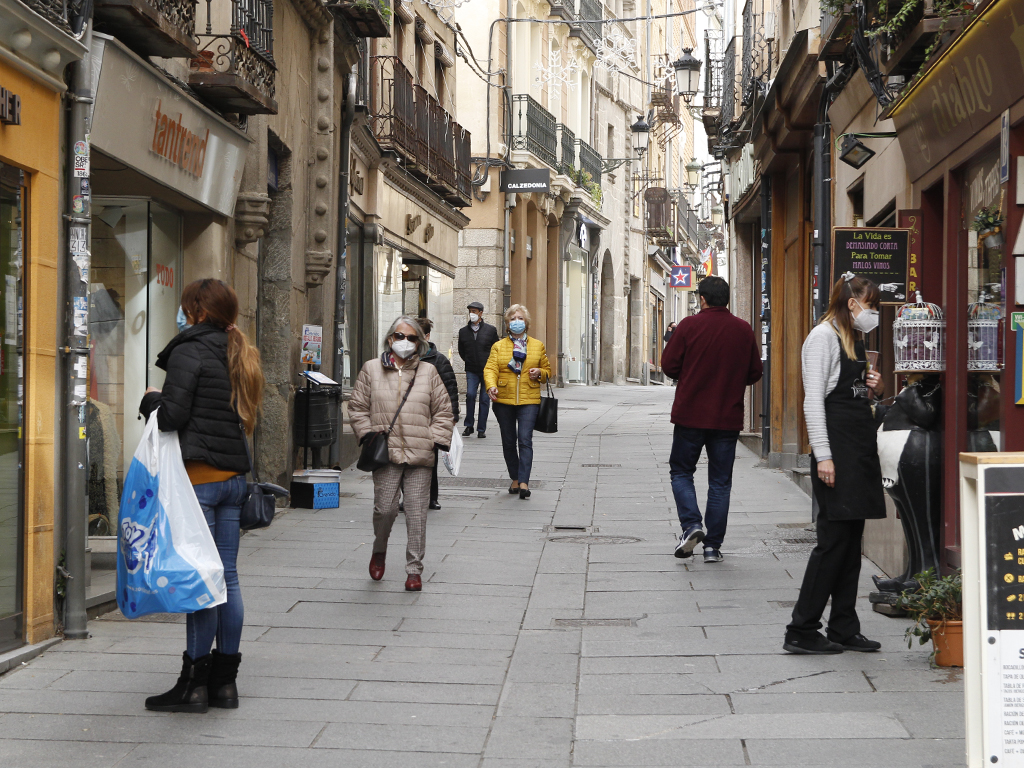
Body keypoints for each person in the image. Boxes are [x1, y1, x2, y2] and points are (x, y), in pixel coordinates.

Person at [138, 279, 265, 713]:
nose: (179, 314)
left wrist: (152, 400)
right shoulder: (236, 350)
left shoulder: (189, 349)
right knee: (226, 576)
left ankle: (192, 685)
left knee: (200, 579)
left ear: (194, 310)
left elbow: (173, 415)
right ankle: (224, 684)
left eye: (182, 308)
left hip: (201, 482)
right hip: (233, 480)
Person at [784, 273, 885, 655]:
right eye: (869, 304)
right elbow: (813, 402)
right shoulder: (822, 338)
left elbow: (856, 395)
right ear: (850, 302)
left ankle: (844, 625)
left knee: (849, 543)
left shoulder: (855, 339)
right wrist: (823, 456)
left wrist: (874, 387)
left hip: (857, 450)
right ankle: (801, 628)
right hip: (837, 453)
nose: (872, 312)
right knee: (832, 544)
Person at [662, 276, 762, 564]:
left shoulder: (689, 326)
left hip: (690, 415)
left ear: (702, 299)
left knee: (681, 471)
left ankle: (692, 525)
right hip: (726, 416)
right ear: (726, 299)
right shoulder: (742, 329)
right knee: (720, 482)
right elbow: (755, 371)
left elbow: (669, 365)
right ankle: (712, 547)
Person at [349, 316, 453, 591]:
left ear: (420, 343)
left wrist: (434, 439)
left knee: (417, 515)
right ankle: (379, 548)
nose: (404, 342)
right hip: (386, 454)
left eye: (411, 338)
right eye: (399, 336)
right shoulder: (371, 369)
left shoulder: (428, 373)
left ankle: (414, 570)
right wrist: (368, 434)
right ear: (389, 339)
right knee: (385, 509)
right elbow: (357, 407)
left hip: (420, 455)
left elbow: (444, 410)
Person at [484, 304, 551, 500]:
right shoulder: (498, 346)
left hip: (529, 399)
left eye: (520, 318)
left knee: (525, 440)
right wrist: (491, 386)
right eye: (513, 319)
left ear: (527, 323)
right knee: (508, 441)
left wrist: (540, 373)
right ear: (507, 324)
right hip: (503, 399)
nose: (517, 322)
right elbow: (490, 369)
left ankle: (523, 482)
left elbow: (547, 372)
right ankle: (514, 477)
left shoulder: (537, 346)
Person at [418, 317, 459, 510]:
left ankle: (431, 497)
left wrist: (453, 416)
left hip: (431, 417)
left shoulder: (439, 360)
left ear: (426, 336)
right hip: (407, 417)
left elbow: (450, 388)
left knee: (429, 459)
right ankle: (407, 497)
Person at [458, 301, 499, 438]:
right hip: (471, 369)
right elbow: (461, 351)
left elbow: (495, 349)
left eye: (474, 311)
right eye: (470, 311)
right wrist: (469, 360)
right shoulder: (463, 332)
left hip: (487, 370)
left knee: (484, 399)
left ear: (481, 313)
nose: (472, 314)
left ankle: (481, 428)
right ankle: (469, 425)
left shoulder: (490, 330)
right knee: (470, 395)